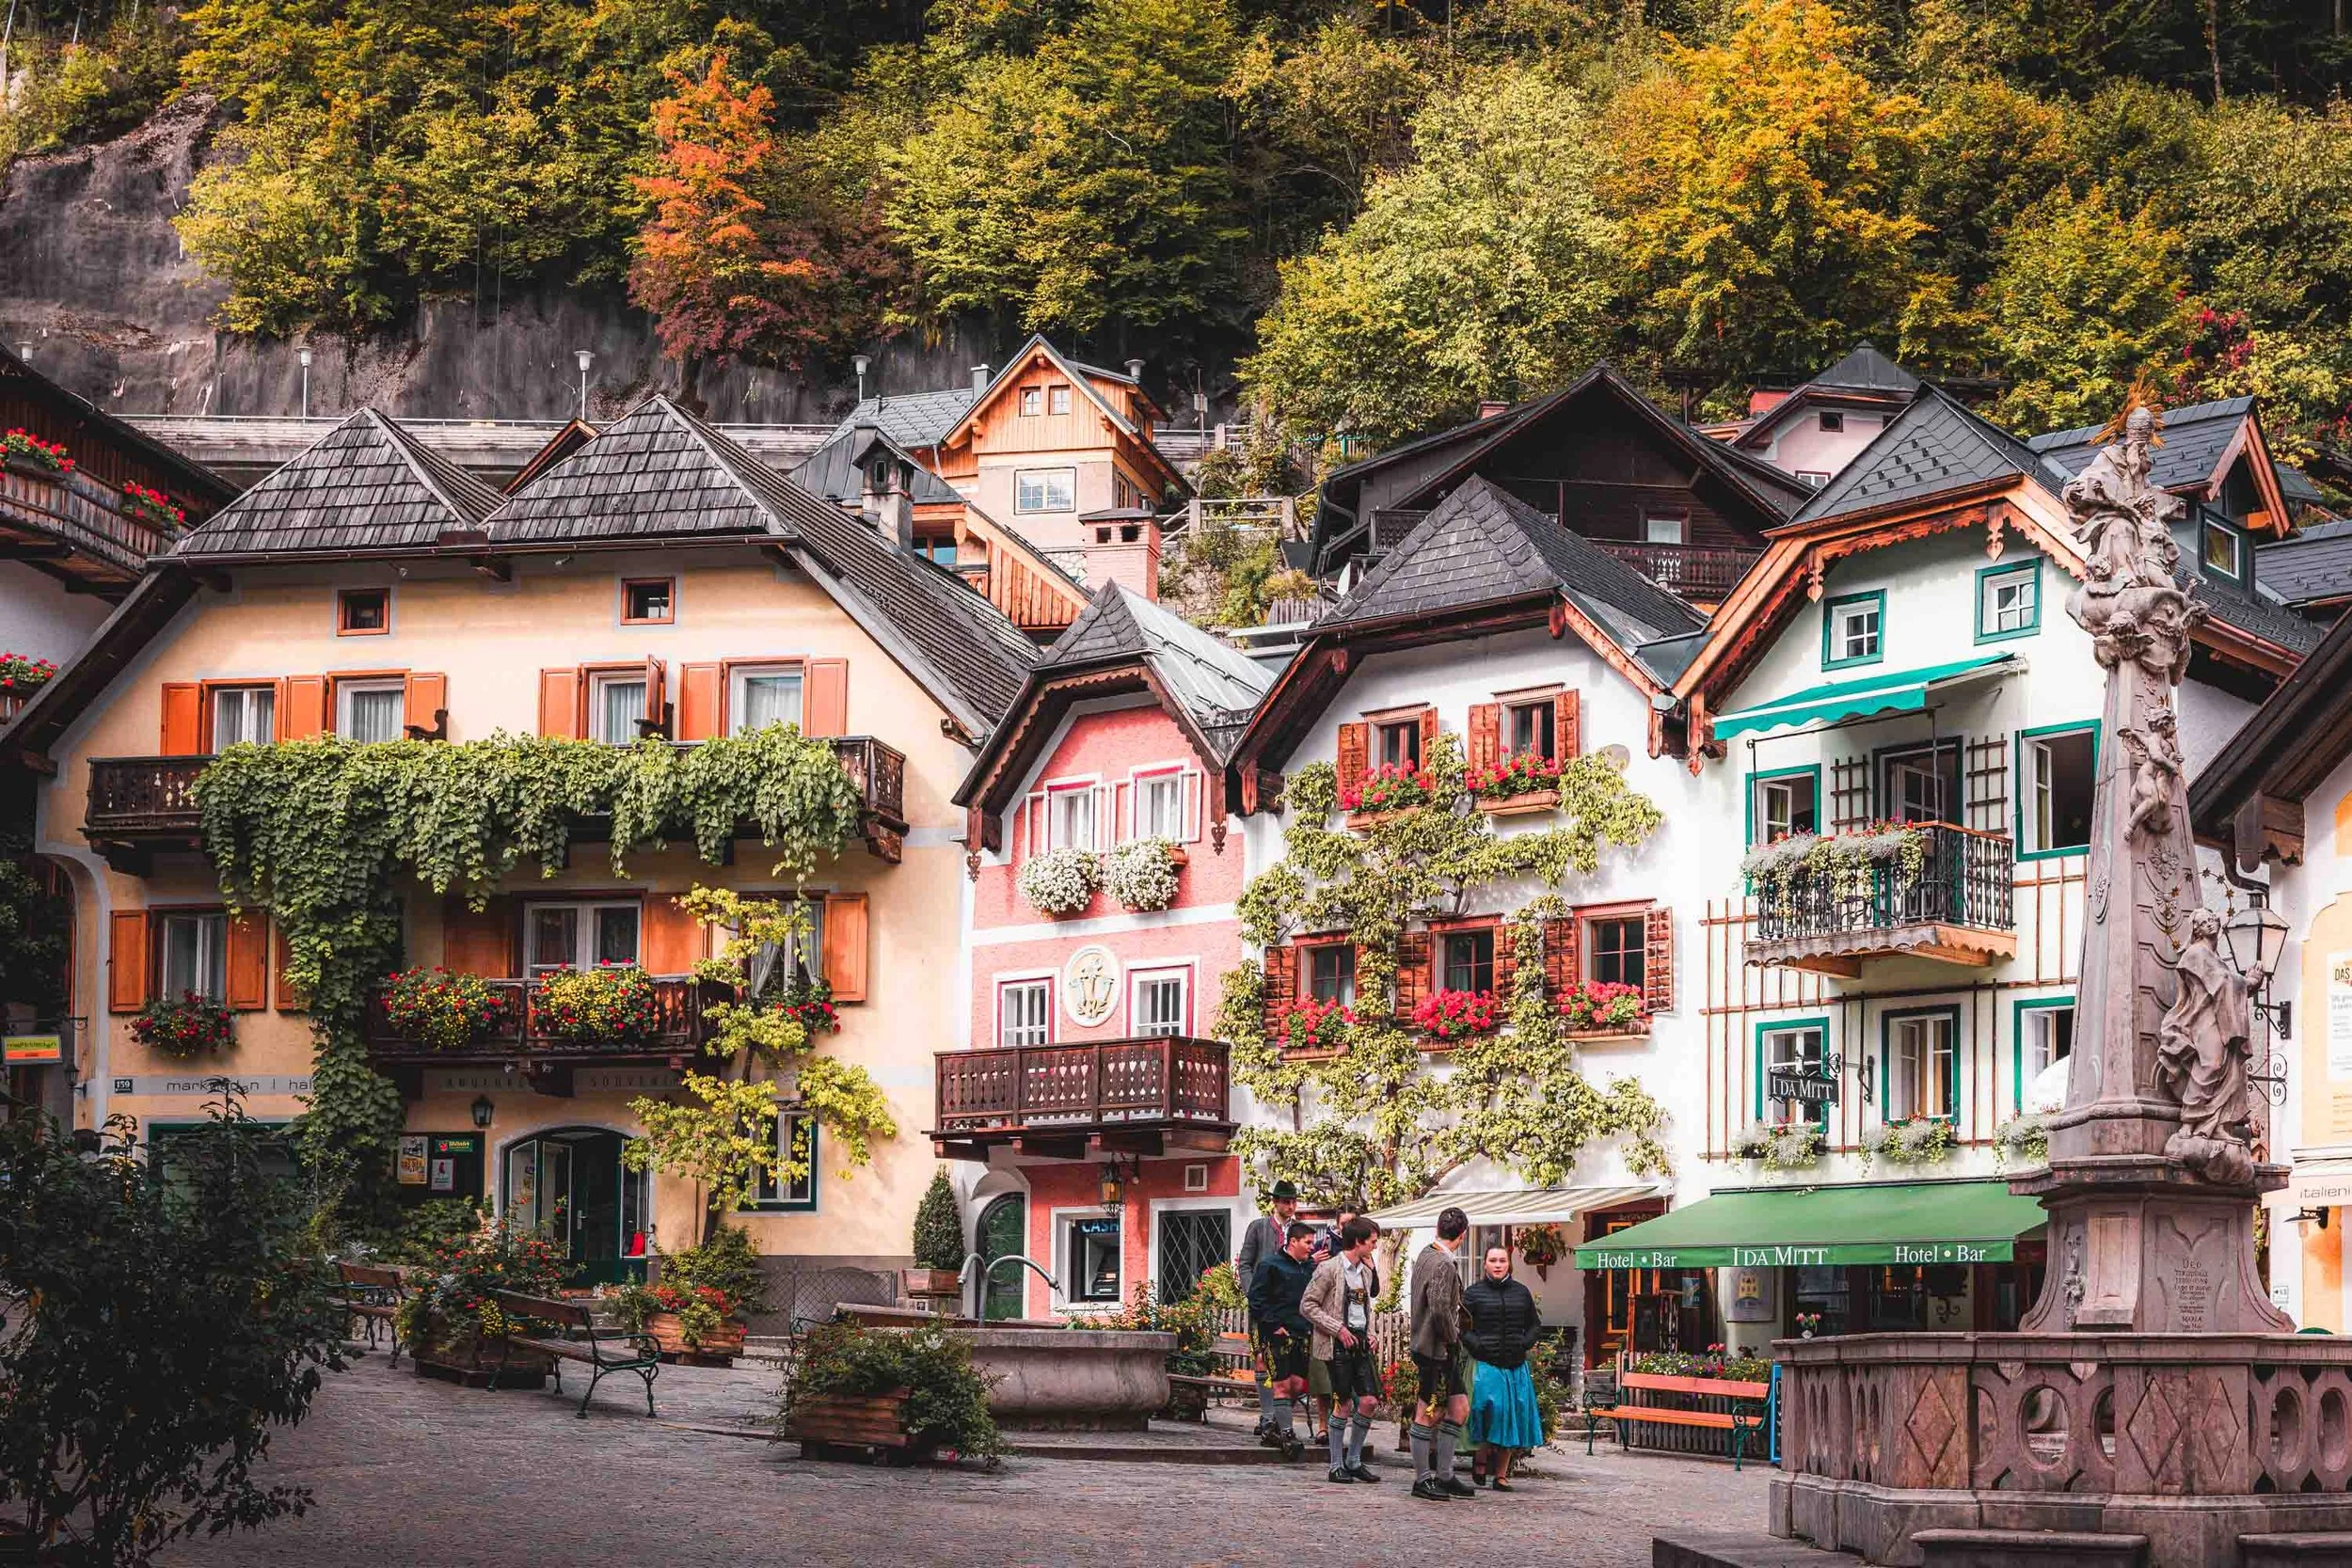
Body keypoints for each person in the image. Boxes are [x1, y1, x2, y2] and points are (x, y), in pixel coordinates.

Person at [1301, 1214, 1384, 1484]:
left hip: (1359, 1342)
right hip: (1336, 1345)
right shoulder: (1328, 1269)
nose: (1374, 1246)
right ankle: (1336, 1464)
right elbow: (1308, 1305)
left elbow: (1365, 1309)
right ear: (1358, 1242)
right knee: (1344, 1403)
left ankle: (1354, 1460)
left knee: (1370, 1400)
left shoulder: (1366, 1270)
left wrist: (1371, 1334)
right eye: (1371, 1242)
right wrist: (1337, 1328)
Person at [1463, 1244, 1544, 1490]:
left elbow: (1534, 1325)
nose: (1498, 1265)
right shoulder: (1473, 1293)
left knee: (1512, 1417)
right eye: (1493, 1260)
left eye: (1502, 1261)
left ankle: (1500, 1475)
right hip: (1487, 1363)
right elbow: (1462, 1327)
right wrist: (1477, 1346)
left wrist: (1524, 1343)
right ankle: (1480, 1458)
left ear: (1509, 1264)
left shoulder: (1521, 1292)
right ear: (1485, 1264)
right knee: (1488, 1411)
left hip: (1515, 1364)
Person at [1408, 1206, 1475, 1502]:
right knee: (1427, 1412)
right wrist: (1452, 1338)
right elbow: (1438, 1308)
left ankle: (1445, 1475)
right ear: (1462, 1235)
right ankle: (1422, 1480)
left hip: (1438, 1348)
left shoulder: (1426, 1253)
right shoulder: (1443, 1264)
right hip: (1435, 1349)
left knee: (1459, 1409)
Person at [1245, 1220, 1317, 1460]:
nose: (1311, 1247)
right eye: (1307, 1242)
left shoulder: (1309, 1267)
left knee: (1297, 1385)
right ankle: (1287, 1433)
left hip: (1301, 1334)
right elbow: (1256, 1300)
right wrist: (1273, 1325)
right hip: (1276, 1335)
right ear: (1293, 1242)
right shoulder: (1269, 1265)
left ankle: (1274, 1427)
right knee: (1282, 1385)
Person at [1236, 1180, 1301, 1438]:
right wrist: (1254, 1294)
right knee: (1262, 1359)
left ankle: (1279, 1416)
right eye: (1286, 1201)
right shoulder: (1259, 1227)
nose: (1291, 1206)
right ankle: (1266, 1416)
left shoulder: (1298, 1230)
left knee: (1290, 1365)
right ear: (1275, 1202)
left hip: (1290, 1308)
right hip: (1263, 1306)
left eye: (1294, 1201)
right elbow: (1244, 1264)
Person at [1305, 1204, 1359, 1442]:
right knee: (1323, 1382)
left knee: (1349, 1385)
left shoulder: (1361, 1249)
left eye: (1352, 1223)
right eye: (1344, 1222)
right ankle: (1323, 1426)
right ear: (1337, 1223)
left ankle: (1343, 1430)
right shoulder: (1324, 1245)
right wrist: (1312, 1261)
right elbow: (1309, 1291)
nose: (1347, 1227)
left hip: (1352, 1324)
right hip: (1326, 1323)